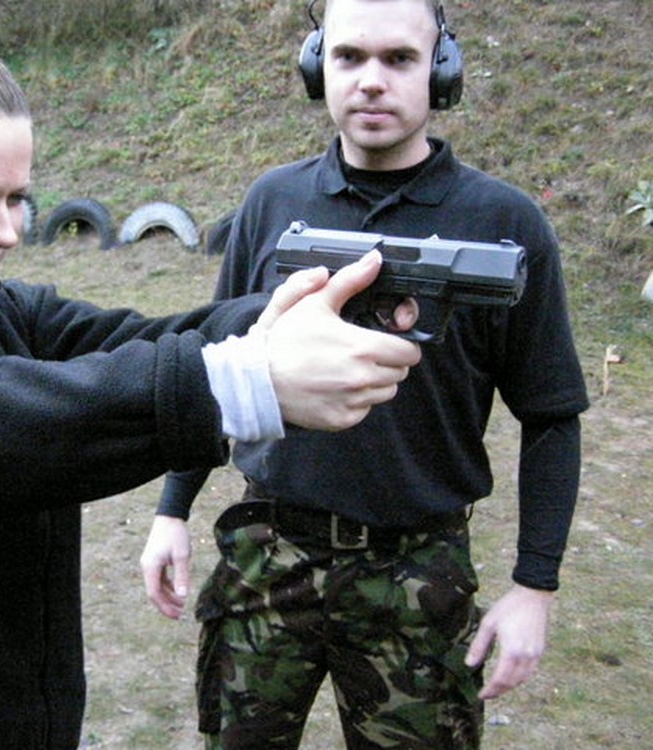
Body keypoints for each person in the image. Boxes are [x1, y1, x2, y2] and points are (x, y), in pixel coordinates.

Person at [0, 33, 423, 750]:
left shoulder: (9, 314)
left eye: (17, 199)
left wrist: (306, 311)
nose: (6, 232)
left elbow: (160, 339)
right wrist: (240, 383)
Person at [141, 1, 589, 748]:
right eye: (349, 57)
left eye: (399, 58)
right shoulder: (272, 202)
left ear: (441, 69)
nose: (371, 80)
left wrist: (535, 585)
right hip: (269, 550)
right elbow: (217, 369)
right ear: (318, 65)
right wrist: (171, 510)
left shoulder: (505, 224)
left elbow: (551, 414)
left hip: (417, 570)